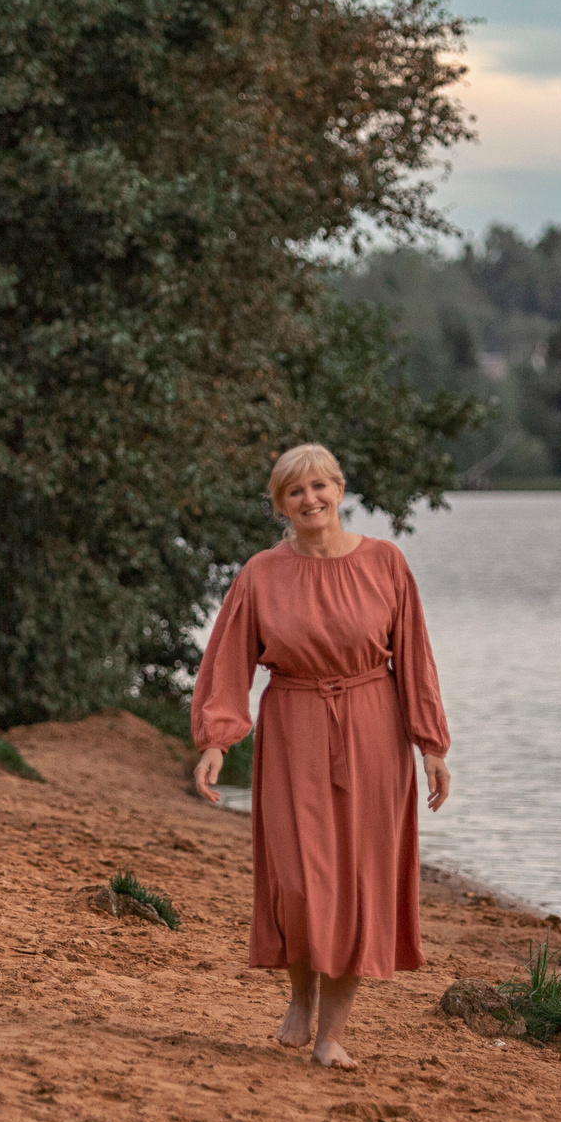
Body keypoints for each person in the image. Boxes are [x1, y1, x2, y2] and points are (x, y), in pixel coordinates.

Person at [190, 442, 453, 1068]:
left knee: (360, 884)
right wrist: (216, 740)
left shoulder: (386, 563)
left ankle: (332, 1034)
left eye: (319, 487)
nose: (310, 500)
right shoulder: (261, 574)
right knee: (301, 882)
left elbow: (414, 655)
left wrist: (431, 744)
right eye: (294, 492)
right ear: (281, 505)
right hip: (294, 728)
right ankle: (299, 995)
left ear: (340, 489)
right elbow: (228, 661)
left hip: (372, 728)